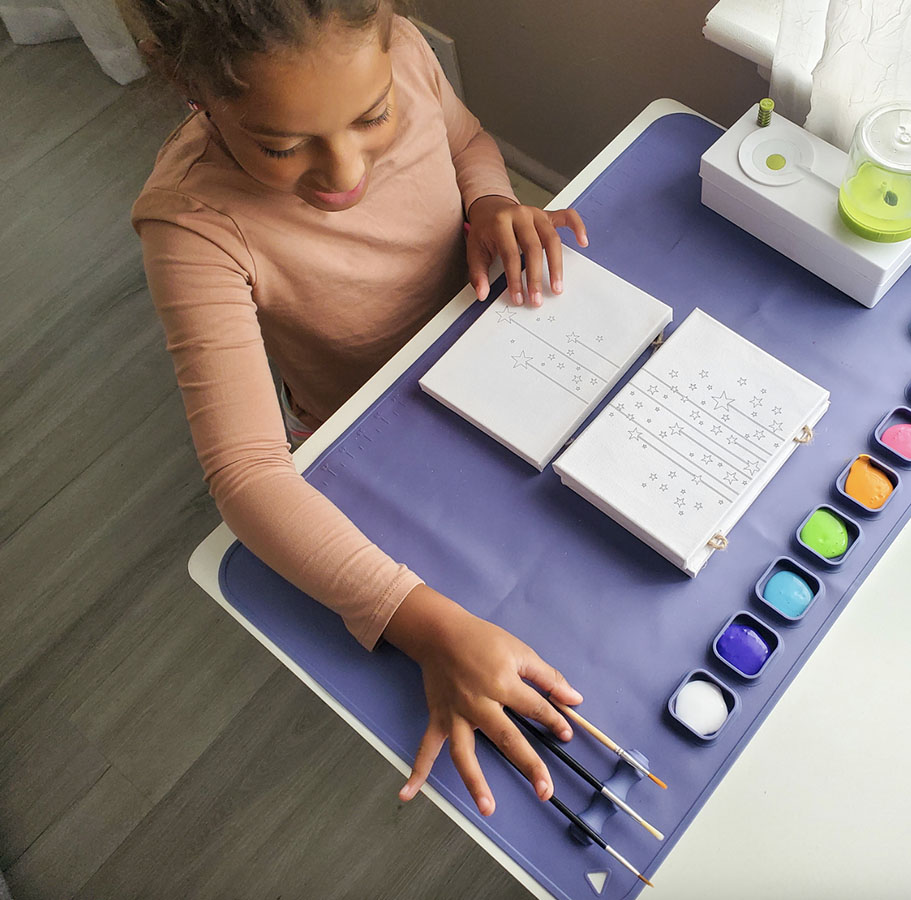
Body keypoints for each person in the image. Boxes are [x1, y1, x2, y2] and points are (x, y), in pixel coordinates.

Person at [124, 0, 588, 817]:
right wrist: (422, 626)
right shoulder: (193, 224)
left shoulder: (401, 51)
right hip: (369, 429)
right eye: (281, 144)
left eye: (373, 119)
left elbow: (467, 141)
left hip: (493, 347)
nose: (344, 173)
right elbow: (246, 474)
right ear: (186, 84)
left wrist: (486, 203)